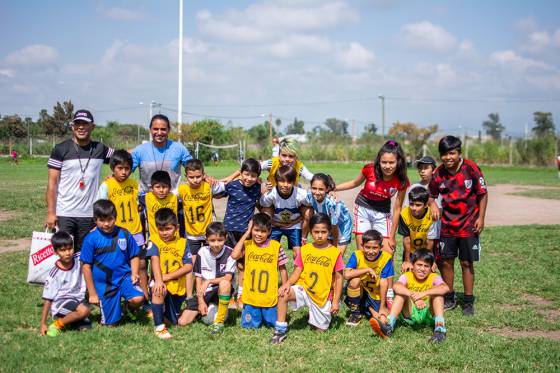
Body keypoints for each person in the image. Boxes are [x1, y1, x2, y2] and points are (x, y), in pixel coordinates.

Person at [335, 140, 409, 307]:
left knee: (387, 252)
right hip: (363, 209)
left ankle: (389, 292)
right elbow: (354, 183)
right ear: (378, 161)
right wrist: (333, 188)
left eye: (391, 162)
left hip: (383, 214)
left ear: (398, 162)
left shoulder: (402, 180)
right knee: (363, 252)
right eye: (384, 162)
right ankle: (359, 289)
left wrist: (392, 236)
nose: (387, 166)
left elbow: (397, 208)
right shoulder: (369, 169)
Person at [429, 136, 488, 316]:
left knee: (466, 262)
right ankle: (449, 296)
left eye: (452, 153)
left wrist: (481, 218)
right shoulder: (438, 173)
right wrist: (432, 204)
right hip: (447, 225)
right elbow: (431, 195)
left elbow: (483, 194)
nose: (448, 158)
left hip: (469, 224)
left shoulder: (471, 169)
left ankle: (468, 301)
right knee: (445, 262)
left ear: (459, 153)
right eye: (444, 154)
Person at [270, 213, 344, 345]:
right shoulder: (305, 250)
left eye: (323, 232)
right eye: (316, 232)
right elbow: (297, 271)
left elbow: (339, 279)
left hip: (322, 295)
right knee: (282, 293)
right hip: (304, 288)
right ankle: (280, 330)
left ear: (329, 232)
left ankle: (321, 314)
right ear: (310, 232)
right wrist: (287, 284)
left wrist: (336, 302)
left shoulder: (334, 252)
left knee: (320, 330)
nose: (320, 235)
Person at [46, 109, 114, 251]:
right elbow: (52, 184)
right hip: (65, 213)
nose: (81, 127)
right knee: (66, 254)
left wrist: (147, 148)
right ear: (72, 126)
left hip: (90, 214)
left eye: (85, 124)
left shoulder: (100, 149)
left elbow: (122, 158)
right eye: (77, 124)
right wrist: (51, 213)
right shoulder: (60, 149)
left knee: (86, 255)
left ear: (92, 127)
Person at [80, 200, 144, 326]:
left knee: (138, 298)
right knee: (112, 325)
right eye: (102, 220)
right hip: (104, 284)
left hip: (124, 277)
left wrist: (134, 273)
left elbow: (134, 256)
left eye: (110, 219)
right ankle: (111, 308)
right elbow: (86, 267)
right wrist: (92, 293)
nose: (107, 224)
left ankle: (128, 307)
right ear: (95, 220)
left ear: (115, 217)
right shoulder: (90, 239)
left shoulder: (124, 234)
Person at [96, 150, 148, 298]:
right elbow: (99, 207)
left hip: (136, 231)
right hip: (117, 232)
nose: (124, 172)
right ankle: (120, 296)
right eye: (120, 168)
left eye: (127, 168)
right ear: (113, 168)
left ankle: (145, 298)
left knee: (142, 265)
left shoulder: (134, 184)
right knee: (120, 264)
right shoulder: (107, 185)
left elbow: (140, 204)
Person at [369, 249, 449, 343]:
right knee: (400, 295)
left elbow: (445, 288)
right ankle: (388, 326)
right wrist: (414, 297)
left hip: (428, 313)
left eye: (426, 266)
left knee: (438, 296)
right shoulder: (407, 276)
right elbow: (396, 286)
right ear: (412, 265)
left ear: (431, 267)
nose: (422, 269)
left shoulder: (433, 276)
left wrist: (422, 294)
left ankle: (440, 329)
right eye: (419, 265)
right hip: (410, 313)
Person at [177, 159, 225, 303]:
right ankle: (189, 296)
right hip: (192, 234)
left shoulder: (208, 186)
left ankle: (213, 291)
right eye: (191, 177)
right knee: (191, 265)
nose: (195, 180)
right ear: (186, 176)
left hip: (208, 233)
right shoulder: (182, 189)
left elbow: (226, 186)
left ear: (203, 174)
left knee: (212, 262)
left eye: (198, 176)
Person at [231, 213, 288, 329]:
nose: (259, 234)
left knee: (272, 323)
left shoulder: (275, 246)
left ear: (269, 231)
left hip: (269, 296)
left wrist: (285, 285)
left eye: (263, 231)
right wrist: (247, 233)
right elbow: (234, 255)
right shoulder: (247, 245)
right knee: (249, 326)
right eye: (256, 230)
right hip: (251, 297)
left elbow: (282, 268)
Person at [179, 222, 236, 334]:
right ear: (206, 239)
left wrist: (209, 281)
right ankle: (204, 309)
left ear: (226, 238)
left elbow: (228, 277)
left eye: (220, 240)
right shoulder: (202, 252)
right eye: (212, 240)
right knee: (182, 322)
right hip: (206, 291)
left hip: (221, 290)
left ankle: (219, 322)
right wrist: (200, 301)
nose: (216, 244)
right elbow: (198, 278)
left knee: (225, 283)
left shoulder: (230, 253)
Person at [146, 208, 193, 339]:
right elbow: (154, 259)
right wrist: (160, 280)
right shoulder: (154, 240)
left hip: (177, 287)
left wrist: (168, 277)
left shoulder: (183, 243)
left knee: (173, 321)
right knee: (158, 289)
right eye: (161, 229)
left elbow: (188, 266)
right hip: (160, 283)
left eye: (168, 229)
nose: (164, 233)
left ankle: (157, 313)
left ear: (177, 227)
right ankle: (159, 327)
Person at [222, 158, 262, 307]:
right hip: (229, 231)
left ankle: (241, 294)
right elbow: (218, 189)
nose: (249, 178)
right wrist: (230, 177)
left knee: (242, 265)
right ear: (241, 173)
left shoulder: (257, 188)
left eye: (253, 176)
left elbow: (265, 187)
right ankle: (229, 294)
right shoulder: (232, 186)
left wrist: (261, 182)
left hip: (246, 232)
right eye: (246, 174)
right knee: (228, 264)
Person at [40, 231, 91, 337]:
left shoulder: (79, 258)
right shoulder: (54, 274)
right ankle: (57, 324)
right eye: (63, 250)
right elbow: (48, 299)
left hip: (78, 300)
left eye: (69, 249)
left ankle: (72, 319)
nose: (67, 253)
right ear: (55, 252)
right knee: (84, 311)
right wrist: (43, 323)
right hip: (61, 303)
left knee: (86, 327)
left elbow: (90, 247)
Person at [132, 114, 193, 194]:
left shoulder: (179, 148)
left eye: (163, 129)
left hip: (173, 200)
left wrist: (206, 177)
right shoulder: (139, 150)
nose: (159, 132)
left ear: (168, 130)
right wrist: (113, 177)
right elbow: (125, 169)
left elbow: (193, 167)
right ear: (150, 129)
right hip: (147, 200)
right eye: (156, 129)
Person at [344, 230, 394, 326]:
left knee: (381, 318)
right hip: (361, 291)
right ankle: (355, 314)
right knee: (354, 281)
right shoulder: (357, 255)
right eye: (367, 247)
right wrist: (367, 270)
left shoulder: (386, 258)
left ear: (381, 247)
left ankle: (369, 309)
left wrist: (383, 306)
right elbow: (346, 274)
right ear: (362, 245)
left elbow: (386, 283)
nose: (371, 251)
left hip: (377, 294)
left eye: (375, 248)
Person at [259, 165, 310, 259]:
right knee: (271, 251)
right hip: (275, 225)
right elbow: (262, 205)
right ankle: (272, 270)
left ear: (294, 182)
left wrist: (298, 220)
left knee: (298, 254)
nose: (285, 185)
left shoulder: (301, 193)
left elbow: (312, 204)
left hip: (294, 225)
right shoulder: (272, 194)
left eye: (289, 181)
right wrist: (274, 222)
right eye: (282, 181)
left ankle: (298, 273)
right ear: (276, 181)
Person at [222, 138, 313, 188]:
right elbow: (250, 167)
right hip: (273, 194)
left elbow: (311, 177)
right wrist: (231, 177)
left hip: (291, 196)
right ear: (278, 154)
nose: (287, 159)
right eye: (284, 155)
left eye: (291, 156)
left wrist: (326, 182)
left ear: (296, 157)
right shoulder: (271, 163)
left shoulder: (299, 167)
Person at [303, 173, 352, 255]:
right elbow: (308, 212)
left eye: (321, 189)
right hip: (328, 225)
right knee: (324, 254)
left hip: (342, 226)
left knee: (336, 256)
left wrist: (335, 246)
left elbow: (335, 226)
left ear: (327, 189)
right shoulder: (309, 197)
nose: (317, 192)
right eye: (314, 188)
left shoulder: (331, 203)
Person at [398, 186, 439, 273]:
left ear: (426, 205)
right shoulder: (404, 214)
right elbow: (406, 239)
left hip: (426, 249)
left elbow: (430, 241)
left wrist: (429, 260)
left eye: (418, 205)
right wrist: (407, 260)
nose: (414, 208)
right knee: (408, 273)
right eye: (411, 204)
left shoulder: (432, 215)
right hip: (411, 251)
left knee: (425, 274)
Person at [139, 170, 180, 241]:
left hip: (173, 238)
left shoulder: (175, 198)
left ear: (170, 188)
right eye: (157, 187)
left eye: (164, 187)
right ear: (151, 188)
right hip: (155, 239)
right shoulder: (146, 198)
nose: (161, 190)